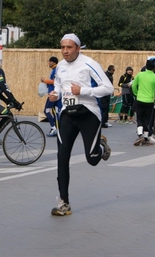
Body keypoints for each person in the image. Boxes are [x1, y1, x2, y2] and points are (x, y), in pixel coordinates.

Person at [48, 33, 113, 216]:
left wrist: (82, 90)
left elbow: (107, 88)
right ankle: (64, 203)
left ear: (77, 48)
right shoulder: (60, 66)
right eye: (62, 47)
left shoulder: (89, 63)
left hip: (88, 114)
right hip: (67, 115)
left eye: (69, 47)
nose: (65, 51)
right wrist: (56, 94)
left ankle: (101, 146)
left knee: (92, 159)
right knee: (62, 156)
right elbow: (59, 87)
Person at [131, 59, 155, 146]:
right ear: (153, 68)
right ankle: (146, 138)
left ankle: (139, 135)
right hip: (150, 101)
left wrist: (136, 93)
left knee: (139, 118)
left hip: (140, 99)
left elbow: (134, 85)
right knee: (147, 119)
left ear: (146, 66)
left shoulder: (140, 75)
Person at [41, 56, 61, 136]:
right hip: (55, 93)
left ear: (53, 62)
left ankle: (54, 128)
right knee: (55, 112)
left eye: (50, 61)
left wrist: (45, 80)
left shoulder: (55, 70)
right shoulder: (55, 70)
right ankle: (57, 128)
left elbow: (55, 82)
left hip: (53, 94)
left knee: (46, 110)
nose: (49, 63)